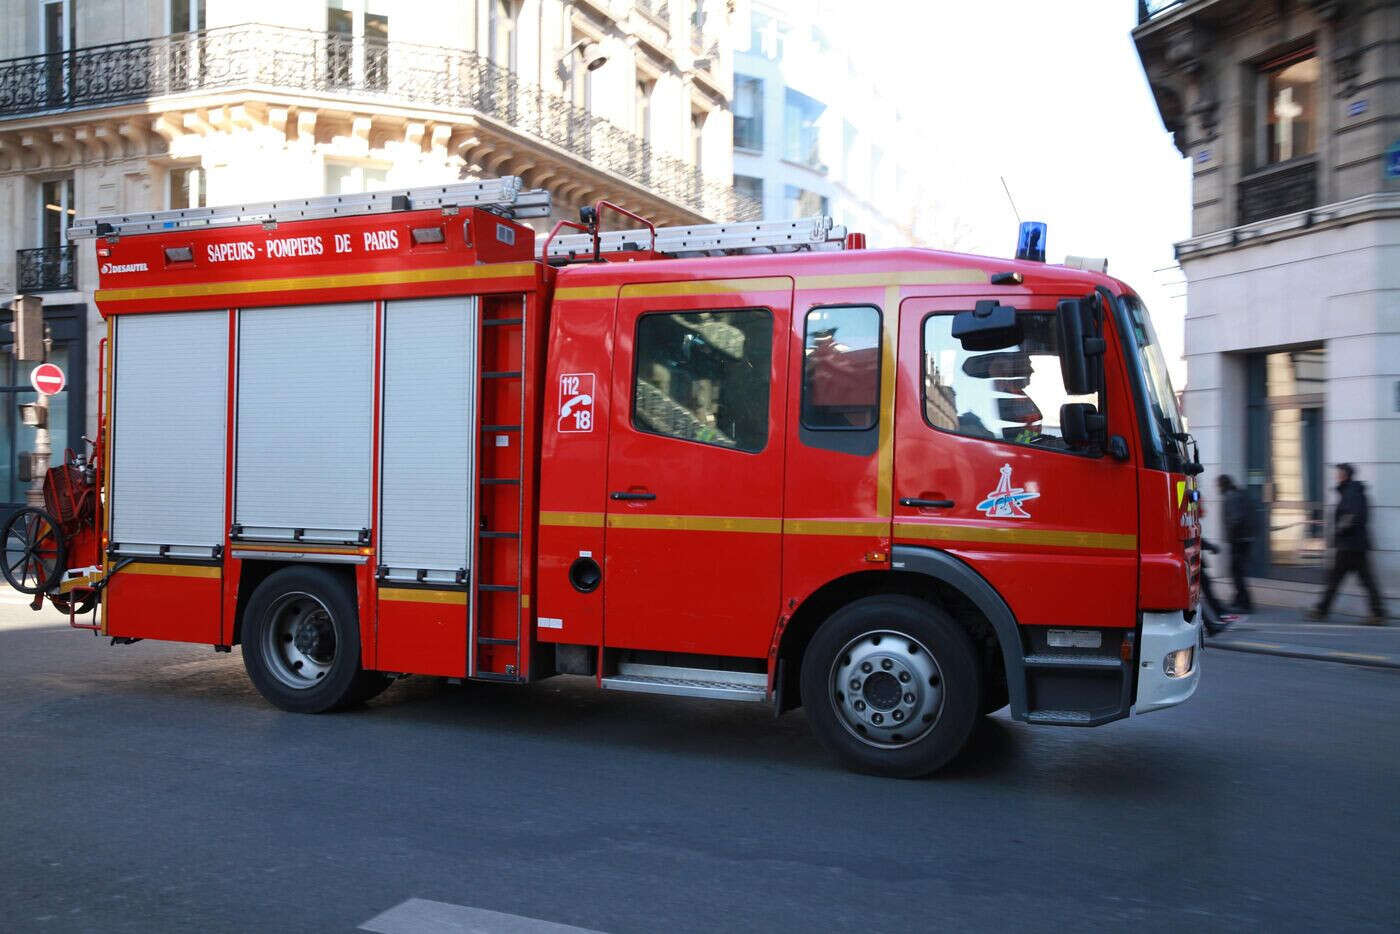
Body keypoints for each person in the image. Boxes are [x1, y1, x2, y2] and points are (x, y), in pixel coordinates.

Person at [1309, 463, 1387, 626]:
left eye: (1338, 473)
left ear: (1345, 475)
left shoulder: (1351, 492)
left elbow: (1351, 516)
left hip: (1349, 545)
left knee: (1336, 580)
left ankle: (1321, 611)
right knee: (1363, 580)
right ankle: (1378, 613)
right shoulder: (1352, 491)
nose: (1336, 476)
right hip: (1355, 545)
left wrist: (1339, 531)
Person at [1217, 474, 1254, 613]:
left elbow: (1235, 520)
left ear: (1223, 485)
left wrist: (1232, 538)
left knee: (1236, 572)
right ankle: (1238, 599)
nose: (1217, 488)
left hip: (1238, 540)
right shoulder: (1236, 494)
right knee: (1237, 571)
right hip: (1243, 539)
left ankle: (1245, 603)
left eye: (1218, 485)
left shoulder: (1230, 497)